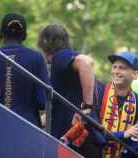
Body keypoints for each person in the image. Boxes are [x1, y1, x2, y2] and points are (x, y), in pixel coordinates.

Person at [38, 24, 97, 157]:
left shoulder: (60, 57)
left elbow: (85, 63)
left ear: (45, 42)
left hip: (72, 136)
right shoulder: (62, 62)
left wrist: (86, 107)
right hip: (74, 138)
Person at [0, 13, 49, 127]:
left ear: (1, 33)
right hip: (27, 127)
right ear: (25, 35)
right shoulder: (36, 58)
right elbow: (44, 101)